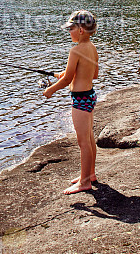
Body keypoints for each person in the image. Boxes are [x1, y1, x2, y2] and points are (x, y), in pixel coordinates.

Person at [43, 10, 99, 195]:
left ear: (81, 30)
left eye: (71, 29)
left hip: (80, 99)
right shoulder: (92, 48)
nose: (69, 33)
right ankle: (90, 174)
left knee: (83, 142)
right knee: (89, 138)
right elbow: (93, 74)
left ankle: (84, 182)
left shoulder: (75, 50)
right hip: (90, 96)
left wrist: (51, 89)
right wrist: (66, 75)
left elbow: (67, 80)